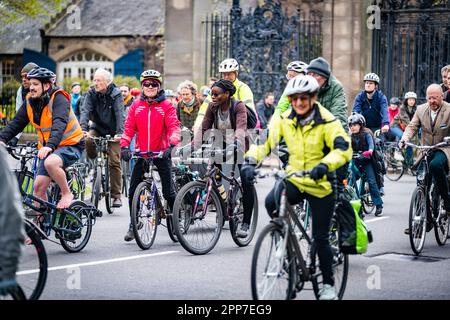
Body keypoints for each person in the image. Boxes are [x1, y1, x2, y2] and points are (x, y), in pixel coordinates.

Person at [242, 75, 352, 300]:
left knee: (320, 238)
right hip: (294, 178)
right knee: (271, 202)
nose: (299, 102)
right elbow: (265, 142)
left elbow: (343, 149)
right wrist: (250, 160)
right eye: (295, 98)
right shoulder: (284, 118)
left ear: (313, 98)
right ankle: (285, 240)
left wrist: (324, 165)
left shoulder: (327, 120)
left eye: (304, 98)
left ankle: (329, 285)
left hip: (321, 184)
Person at [0, 67, 85, 209]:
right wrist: (2, 139)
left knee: (50, 163)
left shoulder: (59, 98)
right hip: (50, 148)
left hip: (71, 144)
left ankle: (66, 193)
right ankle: (40, 227)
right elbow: (16, 124)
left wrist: (49, 146)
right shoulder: (30, 101)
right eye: (30, 83)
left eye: (35, 84)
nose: (31, 87)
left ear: (46, 85)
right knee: (38, 190)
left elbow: (59, 123)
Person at [120, 69, 180, 242]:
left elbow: (173, 126)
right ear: (142, 86)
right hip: (142, 153)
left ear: (159, 86)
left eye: (154, 84)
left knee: (169, 192)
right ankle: (134, 223)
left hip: (161, 153)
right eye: (147, 84)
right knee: (133, 191)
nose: (150, 86)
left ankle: (176, 222)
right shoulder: (136, 106)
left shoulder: (166, 105)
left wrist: (172, 144)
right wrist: (124, 146)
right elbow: (129, 128)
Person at [193, 79, 256, 238]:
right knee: (212, 174)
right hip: (220, 143)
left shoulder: (238, 106)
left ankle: (246, 223)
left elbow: (241, 128)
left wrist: (236, 142)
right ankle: (223, 205)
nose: (212, 97)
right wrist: (192, 146)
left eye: (216, 94)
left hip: (241, 145)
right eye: (210, 94)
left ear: (227, 94)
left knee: (247, 180)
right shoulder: (212, 107)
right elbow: (204, 128)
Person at [400, 84, 450, 229]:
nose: (432, 101)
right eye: (429, 98)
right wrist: (404, 139)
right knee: (422, 184)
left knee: (435, 166)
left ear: (441, 96)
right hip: (426, 150)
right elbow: (412, 127)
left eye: (435, 97)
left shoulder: (449, 109)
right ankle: (423, 221)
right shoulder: (421, 110)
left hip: (444, 149)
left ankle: (447, 201)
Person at [79, 68, 124, 207]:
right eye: (94, 80)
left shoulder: (116, 94)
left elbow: (119, 114)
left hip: (113, 131)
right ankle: (95, 164)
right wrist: (83, 129)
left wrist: (120, 133)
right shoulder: (91, 93)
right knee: (88, 140)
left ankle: (116, 196)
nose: (95, 83)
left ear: (107, 82)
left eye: (99, 80)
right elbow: (85, 111)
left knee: (114, 162)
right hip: (97, 128)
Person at [194, 58, 257, 131]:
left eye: (229, 74)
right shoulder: (216, 89)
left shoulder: (243, 88)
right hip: (220, 129)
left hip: (238, 128)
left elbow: (248, 111)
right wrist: (198, 124)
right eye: (224, 74)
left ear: (236, 74)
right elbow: (205, 108)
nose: (226, 77)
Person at [0, 146, 24, 297]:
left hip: (64, 147)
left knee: (49, 166)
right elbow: (17, 123)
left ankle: (66, 194)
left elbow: (9, 211)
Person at [348, 113, 383, 216]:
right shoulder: (350, 136)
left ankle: (378, 204)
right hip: (356, 160)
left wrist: (370, 150)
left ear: (361, 125)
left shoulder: (367, 133)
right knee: (349, 178)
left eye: (354, 125)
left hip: (367, 160)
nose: (352, 127)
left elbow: (371, 144)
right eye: (350, 125)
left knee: (372, 181)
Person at [307, 57, 349, 130]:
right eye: (309, 74)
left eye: (315, 75)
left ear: (325, 78)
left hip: (327, 130)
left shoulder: (336, 88)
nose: (311, 78)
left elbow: (339, 116)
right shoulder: (304, 86)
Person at [10, 62, 39, 147]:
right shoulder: (21, 91)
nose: (23, 79)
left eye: (26, 76)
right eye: (22, 76)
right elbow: (19, 118)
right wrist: (15, 137)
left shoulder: (46, 90)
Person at [390, 91, 418, 164]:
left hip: (407, 128)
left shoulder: (416, 109)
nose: (411, 101)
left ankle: (409, 163)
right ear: (406, 100)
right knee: (403, 136)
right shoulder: (402, 108)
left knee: (409, 144)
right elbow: (408, 122)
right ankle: (397, 151)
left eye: (413, 100)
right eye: (410, 100)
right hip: (395, 126)